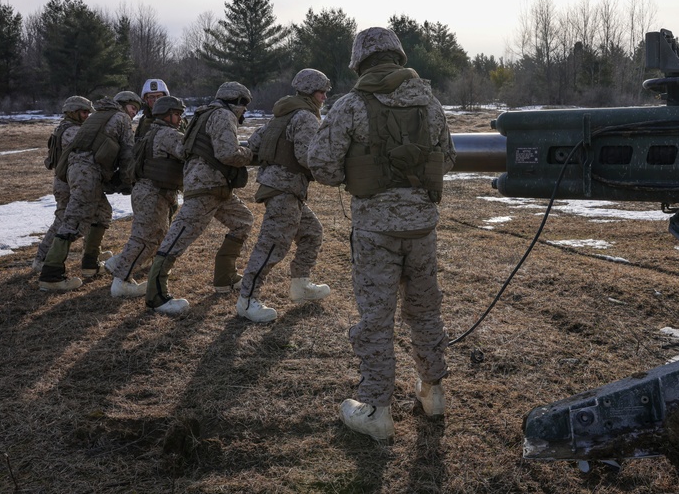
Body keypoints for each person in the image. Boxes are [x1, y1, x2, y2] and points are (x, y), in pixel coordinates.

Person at [307, 27, 456, 440]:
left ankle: (376, 410)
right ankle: (434, 391)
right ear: (398, 55)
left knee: (376, 317)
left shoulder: (351, 104)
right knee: (425, 310)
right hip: (422, 226)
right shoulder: (430, 100)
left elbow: (320, 162)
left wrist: (354, 175)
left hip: (374, 229)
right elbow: (448, 158)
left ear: (360, 61)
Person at [143, 82, 254, 317]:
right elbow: (227, 153)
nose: (245, 111)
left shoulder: (204, 114)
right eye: (244, 105)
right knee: (179, 236)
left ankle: (225, 278)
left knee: (243, 220)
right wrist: (252, 154)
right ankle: (156, 295)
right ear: (237, 102)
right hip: (206, 187)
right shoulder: (224, 115)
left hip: (215, 185)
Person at [236, 68, 332, 323]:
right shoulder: (306, 117)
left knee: (312, 232)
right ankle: (247, 300)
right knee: (272, 246)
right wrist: (333, 166)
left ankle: (301, 285)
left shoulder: (281, 115)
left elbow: (254, 144)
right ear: (311, 92)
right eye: (322, 93)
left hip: (281, 189)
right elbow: (306, 156)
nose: (324, 98)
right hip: (285, 191)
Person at [38, 91, 140, 291]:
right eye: (133, 108)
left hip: (76, 171)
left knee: (102, 213)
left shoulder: (98, 116)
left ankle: (90, 265)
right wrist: (128, 181)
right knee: (74, 220)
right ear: (123, 105)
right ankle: (51, 275)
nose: (134, 113)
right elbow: (128, 153)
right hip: (87, 173)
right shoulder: (121, 118)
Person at [106, 96, 187, 299]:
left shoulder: (153, 132)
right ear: (166, 115)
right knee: (145, 239)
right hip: (153, 193)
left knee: (150, 237)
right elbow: (187, 151)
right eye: (177, 114)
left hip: (147, 191)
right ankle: (121, 279)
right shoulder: (169, 135)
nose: (179, 118)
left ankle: (121, 273)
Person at [32, 95, 93, 275]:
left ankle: (89, 253)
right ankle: (42, 258)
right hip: (66, 183)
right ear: (73, 112)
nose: (87, 116)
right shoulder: (71, 131)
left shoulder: (65, 128)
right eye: (84, 112)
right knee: (62, 221)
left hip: (66, 180)